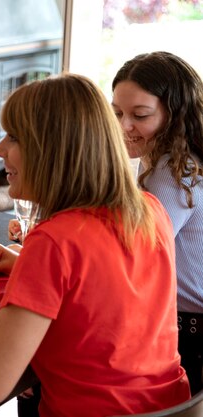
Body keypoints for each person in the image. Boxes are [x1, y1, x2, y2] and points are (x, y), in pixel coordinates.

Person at [0, 73, 190, 417]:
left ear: (51, 149)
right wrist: (24, 262)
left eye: (13, 137)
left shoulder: (53, 241)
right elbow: (103, 295)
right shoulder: (149, 209)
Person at [112, 51, 203, 394]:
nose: (124, 126)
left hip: (189, 335)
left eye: (140, 115)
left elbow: (127, 257)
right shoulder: (172, 158)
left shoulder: (172, 171)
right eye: (117, 112)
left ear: (175, 115)